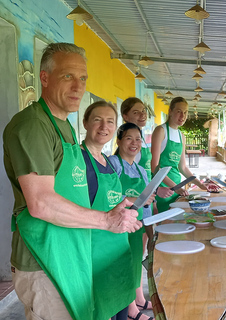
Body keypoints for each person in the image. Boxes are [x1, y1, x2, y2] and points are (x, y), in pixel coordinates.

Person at [3, 42, 141, 320]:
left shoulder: (64, 125)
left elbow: (72, 192)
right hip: (44, 259)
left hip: (70, 251)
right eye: (68, 76)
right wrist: (106, 221)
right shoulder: (33, 125)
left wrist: (112, 209)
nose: (78, 86)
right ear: (44, 78)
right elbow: (41, 202)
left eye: (83, 78)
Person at [81, 101, 136, 320]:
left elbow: (115, 201)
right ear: (85, 122)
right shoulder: (78, 160)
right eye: (97, 119)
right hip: (95, 254)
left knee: (121, 309)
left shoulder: (109, 162)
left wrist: (129, 214)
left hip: (119, 252)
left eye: (110, 121)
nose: (104, 126)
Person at [109, 123, 170, 320]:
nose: (134, 143)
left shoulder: (141, 170)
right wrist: (135, 200)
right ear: (118, 140)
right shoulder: (113, 164)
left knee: (135, 265)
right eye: (128, 138)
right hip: (119, 226)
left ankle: (134, 305)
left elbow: (147, 206)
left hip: (137, 227)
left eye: (138, 139)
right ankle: (130, 311)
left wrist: (152, 233)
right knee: (123, 268)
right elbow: (107, 196)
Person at [151, 96, 217, 212]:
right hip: (163, 188)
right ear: (170, 111)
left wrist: (200, 184)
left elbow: (183, 167)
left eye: (185, 112)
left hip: (177, 187)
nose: (183, 116)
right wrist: (175, 187)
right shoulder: (161, 131)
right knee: (165, 224)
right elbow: (154, 167)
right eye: (179, 112)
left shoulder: (181, 136)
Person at [121, 97, 152, 179]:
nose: (142, 115)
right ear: (126, 117)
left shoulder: (142, 138)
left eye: (143, 110)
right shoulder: (128, 141)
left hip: (147, 188)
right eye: (135, 113)